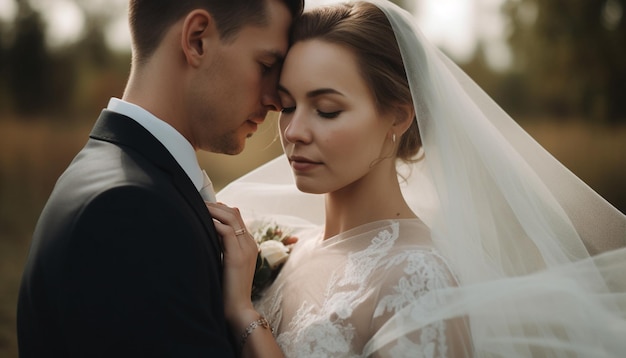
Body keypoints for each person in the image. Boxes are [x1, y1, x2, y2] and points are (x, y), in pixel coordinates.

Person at [213, 0, 626, 357]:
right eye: (287, 106)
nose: (294, 131)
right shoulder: (284, 247)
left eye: (326, 110)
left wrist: (245, 317)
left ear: (398, 114)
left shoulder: (416, 277)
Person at [16, 0, 303, 356]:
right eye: (266, 65)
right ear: (197, 39)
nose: (276, 99)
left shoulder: (120, 178)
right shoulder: (128, 211)